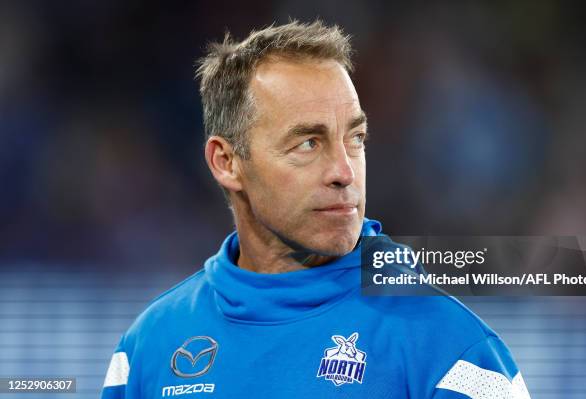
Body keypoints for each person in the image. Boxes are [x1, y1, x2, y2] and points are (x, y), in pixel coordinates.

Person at [101, 20, 530, 398]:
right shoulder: (148, 348)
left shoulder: (453, 354)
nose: (344, 172)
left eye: (355, 139)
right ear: (226, 162)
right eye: (308, 143)